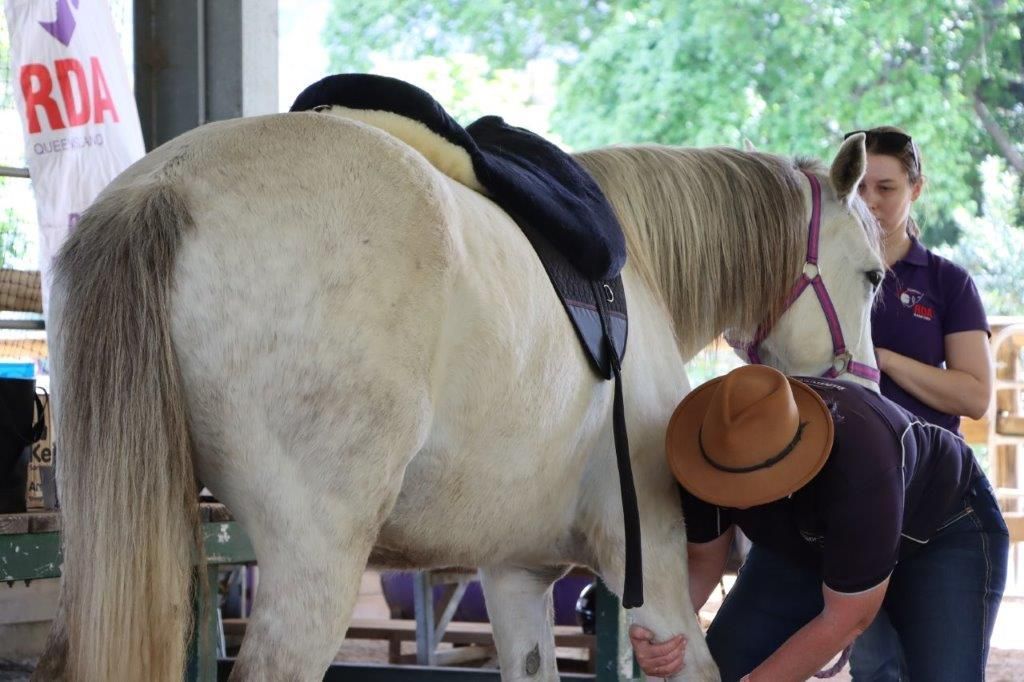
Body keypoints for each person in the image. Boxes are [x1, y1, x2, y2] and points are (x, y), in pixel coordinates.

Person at [629, 364, 1007, 682]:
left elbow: (846, 619)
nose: (733, 499)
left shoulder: (862, 464)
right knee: (724, 664)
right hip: (807, 539)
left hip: (944, 527)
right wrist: (666, 628)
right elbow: (703, 560)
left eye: (747, 486)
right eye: (725, 484)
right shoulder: (709, 446)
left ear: (790, 472)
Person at [844, 126, 994, 680]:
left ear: (916, 190)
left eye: (885, 187)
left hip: (936, 499)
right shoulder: (816, 277)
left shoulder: (947, 282)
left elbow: (975, 395)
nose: (869, 201)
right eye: (857, 186)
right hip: (849, 502)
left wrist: (879, 358)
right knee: (877, 668)